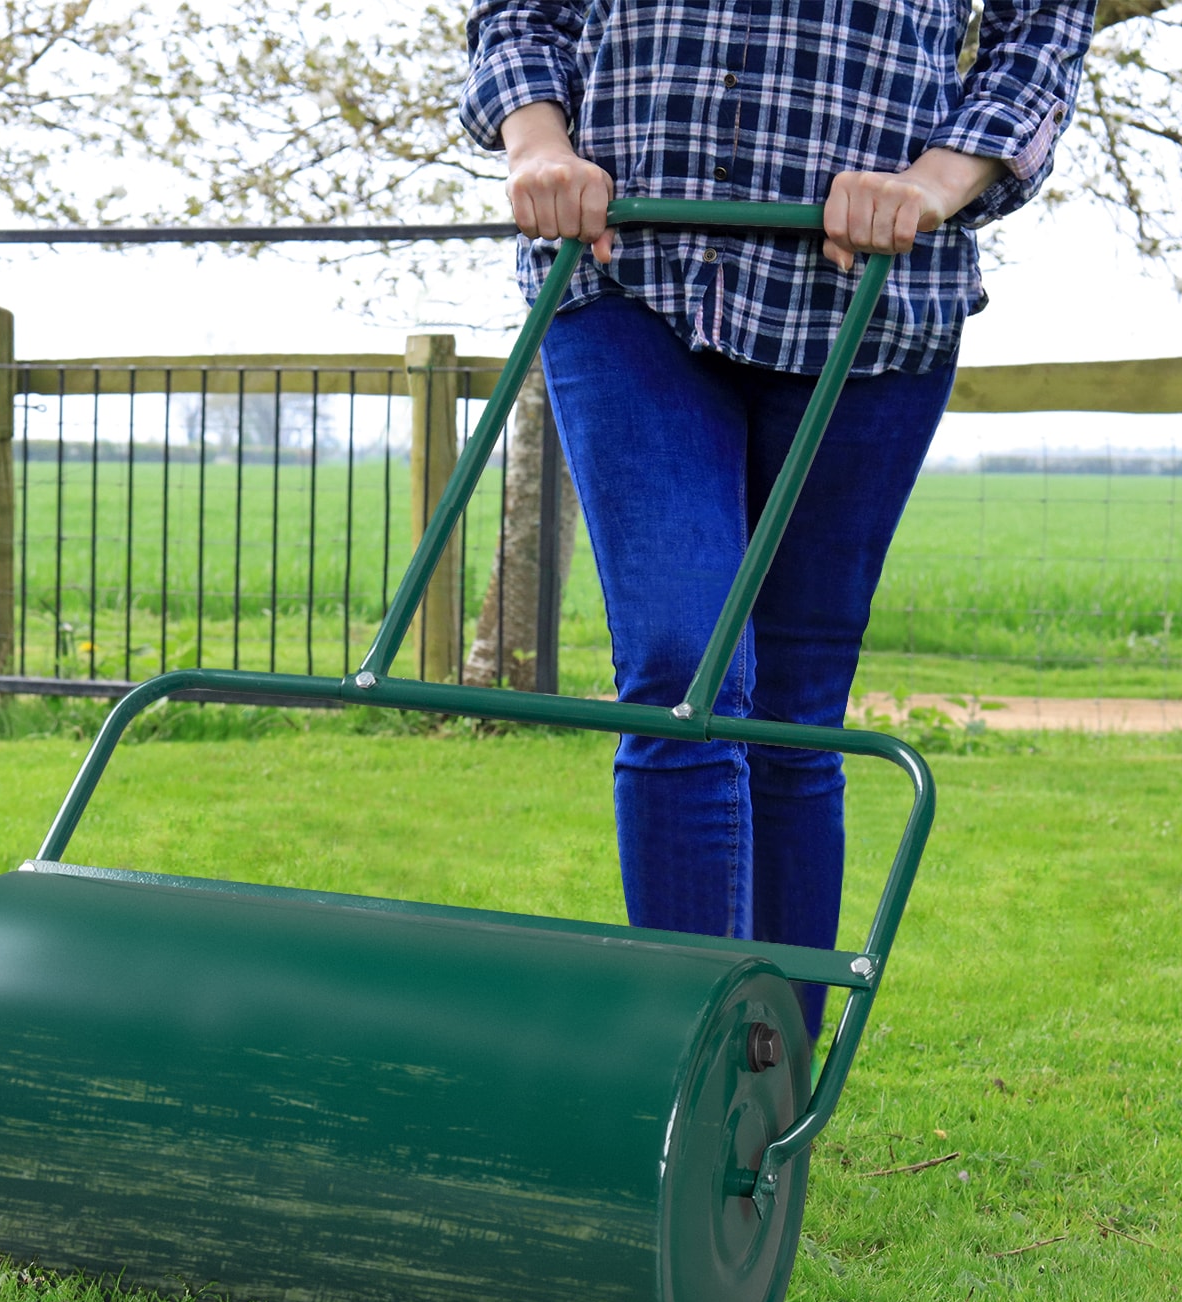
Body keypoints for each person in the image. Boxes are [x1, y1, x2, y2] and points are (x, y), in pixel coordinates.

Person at [461, 0, 1096, 1038]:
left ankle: (766, 1105)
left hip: (870, 301)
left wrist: (932, 183)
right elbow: (520, 12)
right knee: (683, 672)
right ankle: (684, 1069)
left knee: (792, 715)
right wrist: (538, 143)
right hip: (632, 272)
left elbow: (1041, 37)